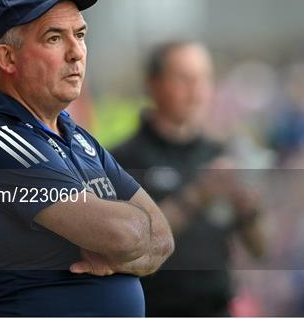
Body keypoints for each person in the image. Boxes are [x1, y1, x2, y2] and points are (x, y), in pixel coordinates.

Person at [0, 0, 174, 317]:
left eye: (80, 35)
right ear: (7, 58)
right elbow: (126, 235)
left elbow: (163, 238)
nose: (76, 52)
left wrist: (117, 255)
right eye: (54, 38)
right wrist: (124, 242)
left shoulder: (75, 136)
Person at [112, 41, 265, 316]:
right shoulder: (121, 160)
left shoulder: (222, 154)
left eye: (204, 79)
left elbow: (261, 248)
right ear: (154, 84)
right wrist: (199, 195)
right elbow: (131, 245)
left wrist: (248, 209)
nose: (197, 92)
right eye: (184, 79)